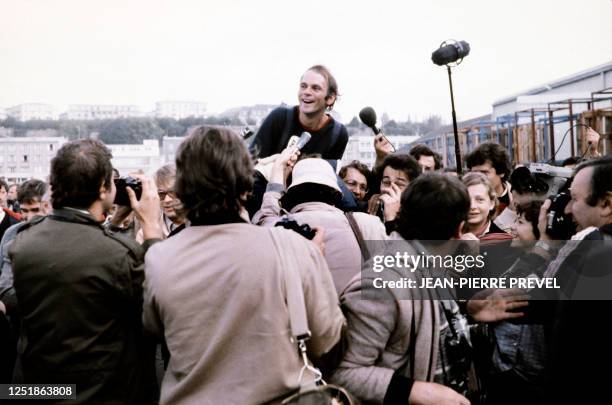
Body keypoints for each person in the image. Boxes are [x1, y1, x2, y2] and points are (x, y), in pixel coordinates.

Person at [142, 126, 345, 404]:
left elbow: (154, 327)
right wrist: (310, 266)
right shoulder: (293, 248)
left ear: (184, 187)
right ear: (245, 183)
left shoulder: (159, 258)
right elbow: (327, 340)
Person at [9, 139, 163, 404]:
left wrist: (112, 223)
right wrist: (151, 230)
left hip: (38, 387)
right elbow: (156, 310)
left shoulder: (22, 243)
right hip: (101, 393)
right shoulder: (118, 254)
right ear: (104, 188)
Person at [331, 173, 499, 405]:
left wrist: (469, 315)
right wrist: (413, 391)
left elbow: (430, 333)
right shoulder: (383, 283)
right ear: (460, 230)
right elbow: (342, 373)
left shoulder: (430, 266)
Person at [253, 156, 386, 294]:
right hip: (352, 314)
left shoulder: (276, 228)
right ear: (337, 194)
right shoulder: (368, 224)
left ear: (291, 195)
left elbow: (266, 215)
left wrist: (278, 171)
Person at [247, 65, 348, 217]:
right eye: (303, 86)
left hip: (305, 206)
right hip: (264, 200)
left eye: (315, 88)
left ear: (330, 98)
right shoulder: (280, 118)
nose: (306, 92)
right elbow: (250, 164)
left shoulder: (338, 133)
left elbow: (327, 183)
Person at [367, 154, 421, 229]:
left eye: (399, 184)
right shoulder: (369, 209)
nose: (389, 189)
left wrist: (391, 219)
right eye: (386, 182)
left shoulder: (419, 218)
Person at [462, 172, 512, 241]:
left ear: (492, 203)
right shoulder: (448, 235)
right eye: (467, 199)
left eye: (480, 200)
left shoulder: (504, 240)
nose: (472, 206)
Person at [466, 142, 513, 216]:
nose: (479, 178)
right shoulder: (464, 200)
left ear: (501, 172)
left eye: (484, 173)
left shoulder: (516, 198)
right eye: (474, 173)